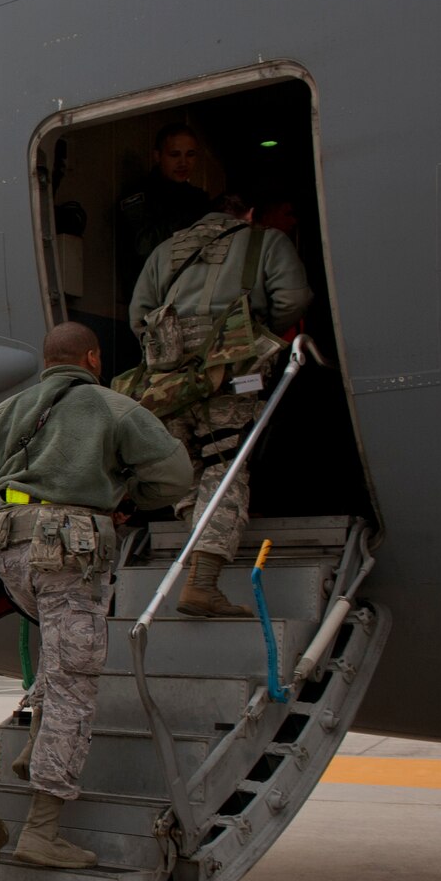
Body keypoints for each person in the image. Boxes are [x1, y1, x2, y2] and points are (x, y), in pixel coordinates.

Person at [0, 323, 193, 866]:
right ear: (92, 358)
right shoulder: (113, 409)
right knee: (77, 683)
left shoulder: (6, 413)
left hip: (12, 560)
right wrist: (123, 495)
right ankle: (42, 829)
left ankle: (36, 739)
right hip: (70, 559)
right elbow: (176, 476)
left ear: (46, 361)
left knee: (59, 656)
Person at [129, 191, 314, 616]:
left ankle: (196, 562)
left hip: (168, 379)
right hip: (231, 374)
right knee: (226, 462)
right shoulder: (264, 241)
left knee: (187, 465)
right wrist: (251, 335)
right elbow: (295, 299)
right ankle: (202, 582)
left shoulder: (166, 250)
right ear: (248, 213)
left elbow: (140, 316)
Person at [116, 123, 211, 280]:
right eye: (174, 155)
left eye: (190, 154)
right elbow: (144, 246)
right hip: (155, 294)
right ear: (157, 156)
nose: (183, 162)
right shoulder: (141, 194)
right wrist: (189, 217)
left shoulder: (197, 198)